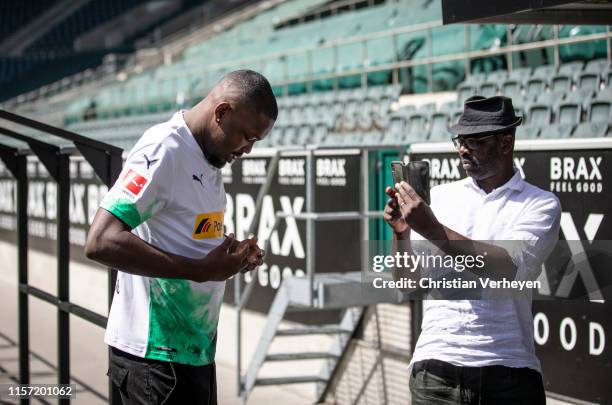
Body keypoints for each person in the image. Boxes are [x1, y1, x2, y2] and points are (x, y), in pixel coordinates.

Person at [85, 69, 277, 405]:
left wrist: (231, 257)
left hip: (193, 355)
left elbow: (190, 240)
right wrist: (200, 270)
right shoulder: (165, 149)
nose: (247, 150)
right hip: (154, 361)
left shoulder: (211, 156)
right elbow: (101, 240)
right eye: (246, 136)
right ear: (221, 112)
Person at [383, 96, 561, 404]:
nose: (464, 149)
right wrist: (401, 234)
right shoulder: (439, 197)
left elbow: (506, 267)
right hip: (434, 370)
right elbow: (407, 284)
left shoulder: (541, 203)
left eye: (475, 141)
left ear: (506, 143)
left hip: (507, 372)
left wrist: (431, 229)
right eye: (460, 140)